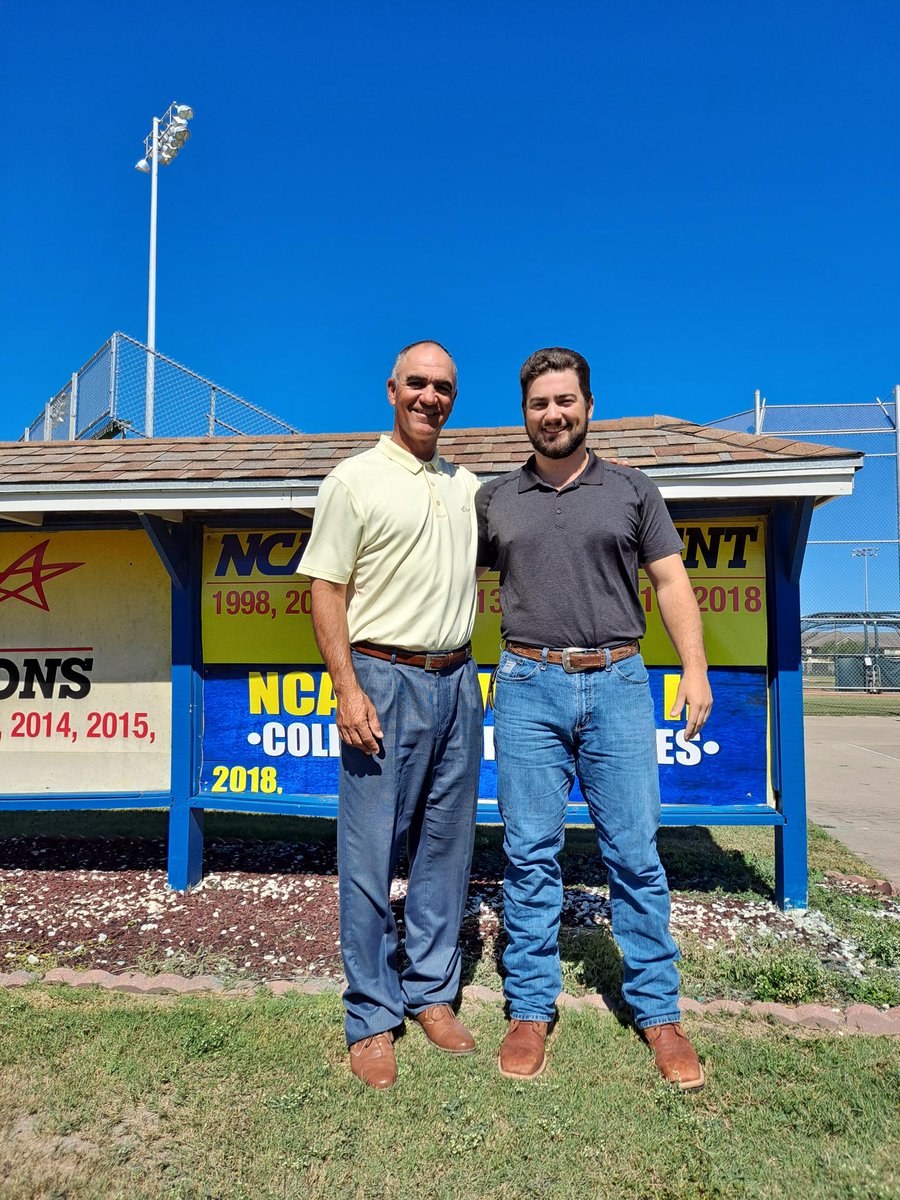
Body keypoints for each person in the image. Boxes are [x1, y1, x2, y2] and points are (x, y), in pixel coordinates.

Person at [476, 347, 712, 1089]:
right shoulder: (496, 499)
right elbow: (444, 579)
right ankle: (529, 1009)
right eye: (540, 403)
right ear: (526, 413)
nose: (554, 413)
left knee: (635, 854)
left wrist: (695, 669)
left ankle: (659, 1013)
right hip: (524, 683)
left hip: (617, 682)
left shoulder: (633, 490)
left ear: (587, 405)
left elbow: (671, 580)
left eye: (565, 400)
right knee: (529, 853)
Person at [300, 340, 483, 1090]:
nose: (429, 397)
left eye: (442, 387)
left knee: (446, 849)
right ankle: (372, 1016)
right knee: (371, 855)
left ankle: (432, 992)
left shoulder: (468, 485)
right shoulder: (353, 480)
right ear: (391, 389)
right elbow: (325, 591)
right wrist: (346, 686)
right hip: (381, 676)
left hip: (459, 678)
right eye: (417, 384)